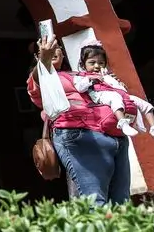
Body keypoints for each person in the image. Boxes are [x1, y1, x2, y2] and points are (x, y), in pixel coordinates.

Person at [27, 32, 133, 205]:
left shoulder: (80, 74)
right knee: (95, 202)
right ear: (38, 54)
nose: (53, 49)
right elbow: (37, 83)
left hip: (116, 136)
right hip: (82, 138)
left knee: (122, 203)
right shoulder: (44, 78)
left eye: (56, 46)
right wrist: (43, 61)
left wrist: (113, 84)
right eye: (46, 47)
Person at [73, 41, 154, 141]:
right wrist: (92, 79)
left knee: (144, 103)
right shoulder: (82, 77)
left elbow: (117, 87)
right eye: (92, 63)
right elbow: (80, 88)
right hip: (101, 94)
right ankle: (123, 122)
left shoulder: (108, 75)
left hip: (120, 95)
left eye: (101, 63)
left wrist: (120, 85)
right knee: (115, 98)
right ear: (83, 64)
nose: (97, 66)